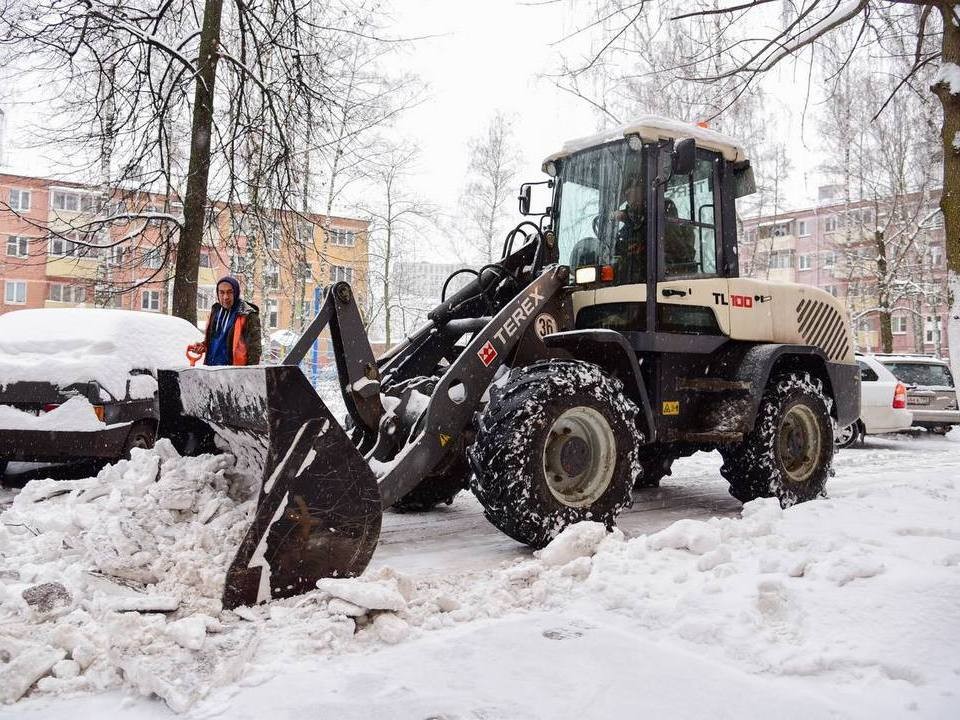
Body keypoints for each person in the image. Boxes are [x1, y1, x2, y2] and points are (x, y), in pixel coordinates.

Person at [188, 276, 262, 366]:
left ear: (236, 293)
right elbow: (216, 340)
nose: (225, 297)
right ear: (217, 293)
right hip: (211, 370)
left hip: (233, 374)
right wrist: (203, 346)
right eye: (222, 293)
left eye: (229, 292)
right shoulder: (215, 311)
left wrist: (248, 375)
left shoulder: (248, 315)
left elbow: (254, 350)